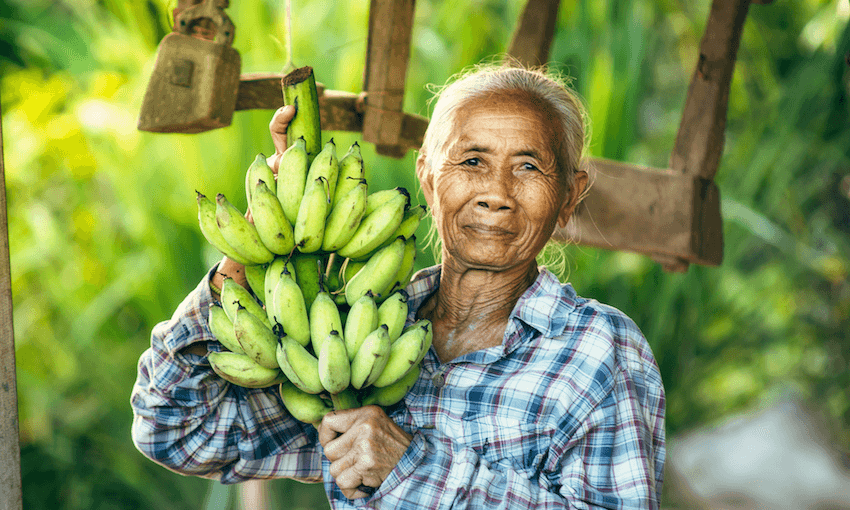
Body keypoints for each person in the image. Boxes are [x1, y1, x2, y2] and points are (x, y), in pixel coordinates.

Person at [131, 63, 666, 509]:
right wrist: (255, 242)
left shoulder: (598, 351)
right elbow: (175, 429)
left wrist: (411, 467)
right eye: (472, 161)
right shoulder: (358, 332)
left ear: (570, 196)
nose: (496, 194)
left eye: (528, 166)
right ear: (429, 177)